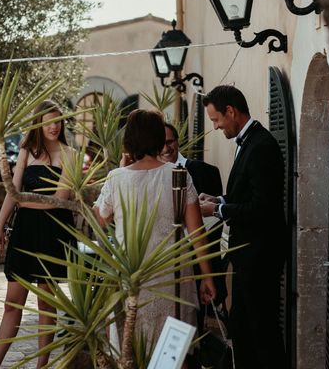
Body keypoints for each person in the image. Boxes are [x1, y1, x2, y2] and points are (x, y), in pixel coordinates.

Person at [94, 109, 216, 343]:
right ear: (159, 138)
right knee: (174, 351)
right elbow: (197, 233)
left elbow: (100, 218)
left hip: (132, 273)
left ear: (129, 140)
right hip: (174, 274)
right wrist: (207, 277)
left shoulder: (116, 178)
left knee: (131, 348)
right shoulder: (179, 175)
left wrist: (121, 167)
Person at [199, 85, 287, 369]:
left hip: (259, 257)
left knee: (262, 336)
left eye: (216, 120)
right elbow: (246, 195)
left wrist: (218, 210)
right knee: (244, 333)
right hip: (246, 257)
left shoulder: (261, 146)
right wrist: (220, 199)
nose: (215, 126)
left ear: (231, 111)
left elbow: (262, 208)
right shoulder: (248, 142)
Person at [0, 100, 75, 369]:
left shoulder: (70, 154)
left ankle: (42, 367)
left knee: (46, 305)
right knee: (11, 303)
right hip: (25, 233)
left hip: (53, 233)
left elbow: (60, 200)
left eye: (57, 120)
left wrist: (22, 200)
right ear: (38, 123)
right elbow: (11, 193)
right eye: (48, 120)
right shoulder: (26, 152)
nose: (53, 126)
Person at [159, 122, 227, 316]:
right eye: (161, 143)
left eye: (170, 141)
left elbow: (215, 224)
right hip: (164, 269)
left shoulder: (206, 171)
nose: (166, 148)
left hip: (200, 264)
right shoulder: (149, 177)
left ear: (178, 142)